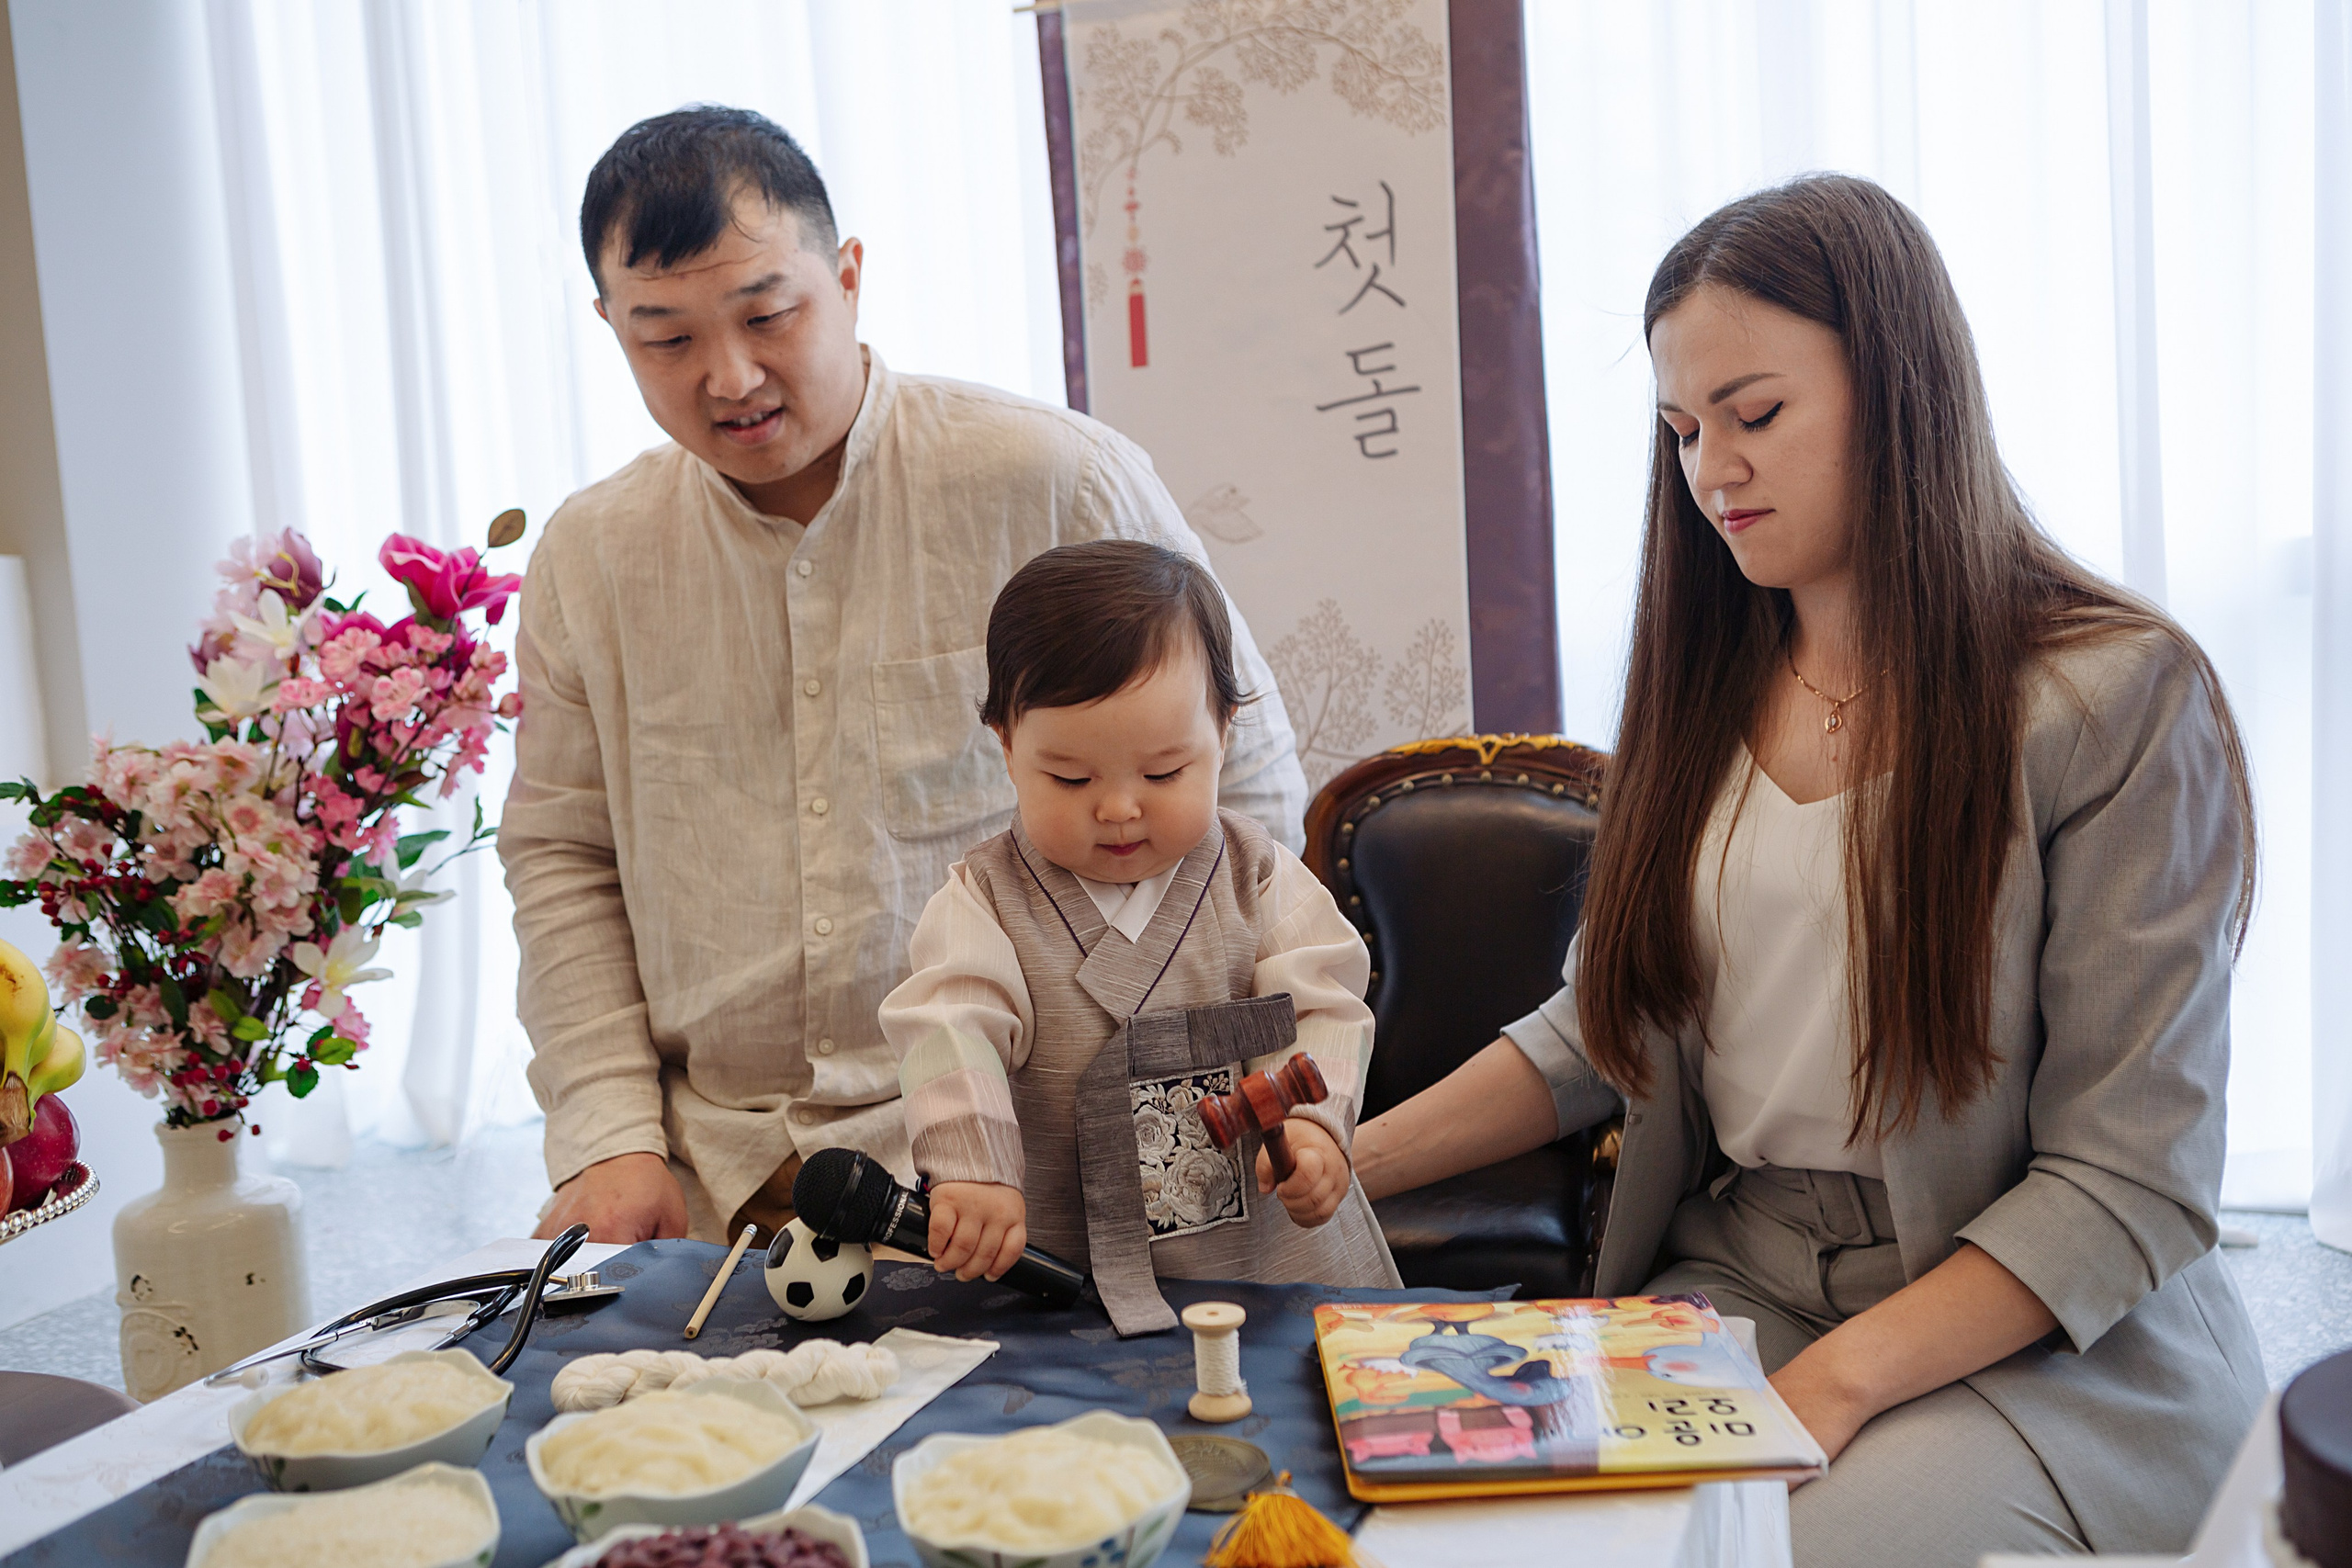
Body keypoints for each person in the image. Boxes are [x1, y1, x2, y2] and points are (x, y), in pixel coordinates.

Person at [1349, 175, 2265, 1567]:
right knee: (1481, 1533)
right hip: (1750, 1270)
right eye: (1682, 430)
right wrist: (1345, 1164)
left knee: (1764, 1552)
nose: (1711, 470)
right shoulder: (1704, 692)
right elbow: (1608, 1024)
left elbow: (2128, 1179)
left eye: (1756, 414)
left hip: (2036, 1328)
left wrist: (1825, 1390)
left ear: (1900, 390)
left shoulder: (2113, 698)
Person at [500, 108, 1306, 1247]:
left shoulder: (1055, 483)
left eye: (767, 315)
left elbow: (1242, 792)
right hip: (718, 1171)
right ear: (610, 327)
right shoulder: (591, 556)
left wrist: (1170, 1119)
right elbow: (563, 857)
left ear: (847, 277)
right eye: (666, 339)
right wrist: (610, 1136)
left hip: (1036, 1163)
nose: (730, 376)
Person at [878, 541, 1397, 1336]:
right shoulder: (983, 903)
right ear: (1007, 746)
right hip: (1064, 1272)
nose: (1119, 808)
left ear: (1223, 732)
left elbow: (1323, 1005)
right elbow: (948, 1028)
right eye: (1071, 778)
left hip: (1264, 1267)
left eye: (1162, 774)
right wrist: (973, 1168)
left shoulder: (1258, 878)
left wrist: (1315, 1126)